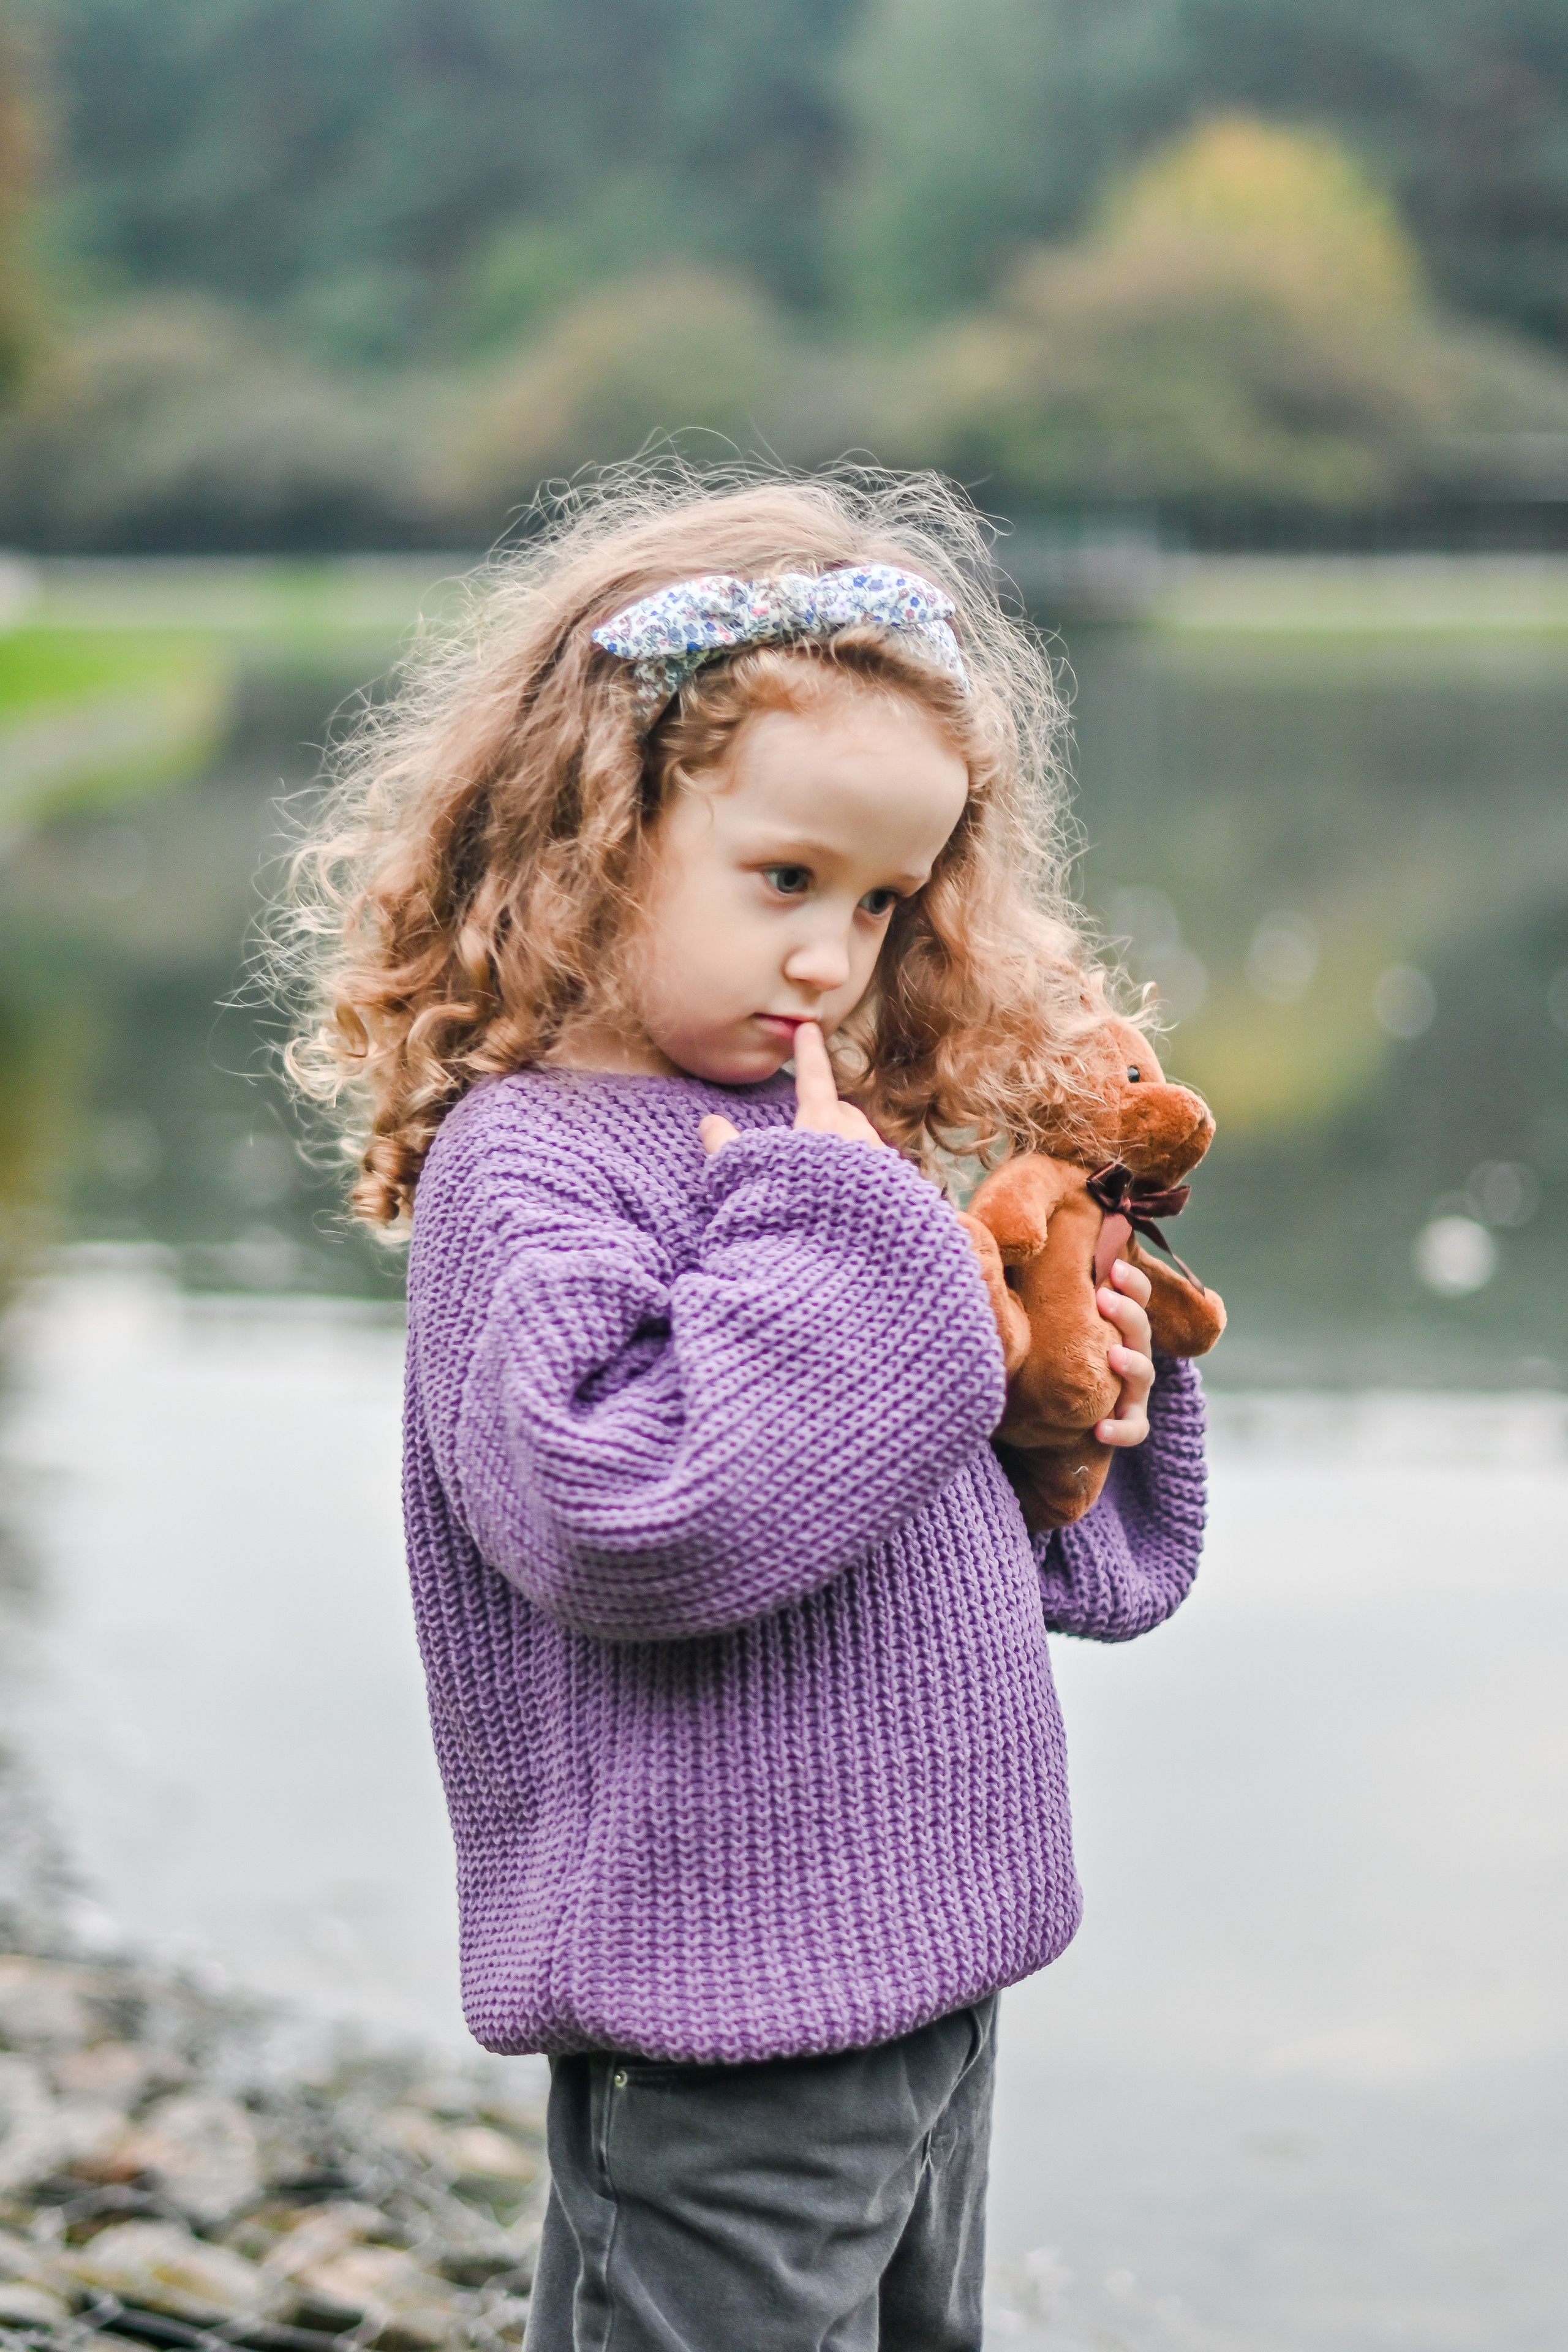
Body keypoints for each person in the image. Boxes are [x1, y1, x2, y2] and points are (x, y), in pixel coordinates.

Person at [284, 465, 1208, 2351]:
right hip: (719, 2005)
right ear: (588, 840)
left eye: (882, 904)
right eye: (784, 880)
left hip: (934, 1958)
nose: (830, 958)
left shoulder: (820, 1156)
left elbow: (969, 1526)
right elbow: (637, 1516)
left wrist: (1071, 1398)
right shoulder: (532, 1171)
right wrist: (860, 1219)